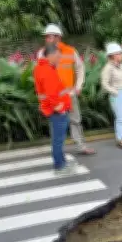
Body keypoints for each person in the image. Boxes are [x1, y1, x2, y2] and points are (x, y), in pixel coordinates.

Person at [37, 24, 97, 155]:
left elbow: (80, 67)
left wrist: (78, 86)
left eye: (49, 36)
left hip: (69, 94)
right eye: (46, 37)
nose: (46, 39)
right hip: (53, 97)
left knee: (75, 120)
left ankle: (81, 146)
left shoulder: (70, 51)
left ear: (58, 37)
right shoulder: (42, 53)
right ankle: (58, 150)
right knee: (56, 123)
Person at [33, 44, 74, 175]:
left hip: (55, 109)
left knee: (58, 138)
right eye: (58, 56)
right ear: (50, 55)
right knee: (58, 139)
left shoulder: (43, 68)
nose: (59, 59)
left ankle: (62, 162)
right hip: (56, 110)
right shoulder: (46, 70)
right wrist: (59, 107)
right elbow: (51, 93)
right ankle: (60, 166)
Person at [100, 42, 122, 148]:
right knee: (121, 118)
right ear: (113, 55)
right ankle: (120, 139)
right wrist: (115, 91)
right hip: (118, 94)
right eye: (120, 53)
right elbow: (104, 83)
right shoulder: (108, 68)